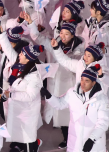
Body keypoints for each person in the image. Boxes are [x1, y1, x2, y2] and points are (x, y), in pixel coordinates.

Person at [24, 13, 84, 149]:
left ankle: (74, 140)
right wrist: (31, 24)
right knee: (60, 114)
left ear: (73, 35)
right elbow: (38, 37)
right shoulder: (54, 42)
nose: (63, 36)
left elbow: (72, 63)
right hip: (55, 83)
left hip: (70, 84)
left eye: (67, 34)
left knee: (71, 114)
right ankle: (66, 138)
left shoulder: (79, 48)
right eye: (61, 32)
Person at [41, 65, 109, 152]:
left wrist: (92, 139)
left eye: (87, 81)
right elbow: (60, 104)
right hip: (74, 145)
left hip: (93, 145)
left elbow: (103, 122)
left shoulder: (102, 99)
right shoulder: (72, 93)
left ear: (93, 82)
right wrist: (49, 96)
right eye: (82, 79)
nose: (83, 83)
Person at [0, 44, 43, 152]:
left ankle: (33, 147)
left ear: (28, 58)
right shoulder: (18, 67)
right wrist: (6, 95)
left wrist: (11, 95)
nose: (19, 55)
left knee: (26, 137)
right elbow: (14, 87)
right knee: (19, 134)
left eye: (22, 54)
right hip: (16, 108)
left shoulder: (35, 75)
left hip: (27, 112)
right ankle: (30, 145)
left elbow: (30, 96)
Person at [51, 41, 109, 111]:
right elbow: (66, 61)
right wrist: (56, 48)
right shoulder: (80, 64)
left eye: (89, 56)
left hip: (95, 105)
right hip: (80, 102)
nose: (85, 58)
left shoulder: (100, 68)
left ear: (95, 57)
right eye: (85, 54)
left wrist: (102, 76)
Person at [82, 0, 109, 110]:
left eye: (92, 8)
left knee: (107, 90)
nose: (90, 10)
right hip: (92, 62)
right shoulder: (90, 22)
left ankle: (107, 113)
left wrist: (104, 51)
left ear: (98, 12)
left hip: (107, 64)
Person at [0, 26, 30, 120]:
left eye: (8, 42)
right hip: (7, 89)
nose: (5, 45)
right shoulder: (13, 52)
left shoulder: (18, 57)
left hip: (15, 93)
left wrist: (0, 33)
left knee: (14, 119)